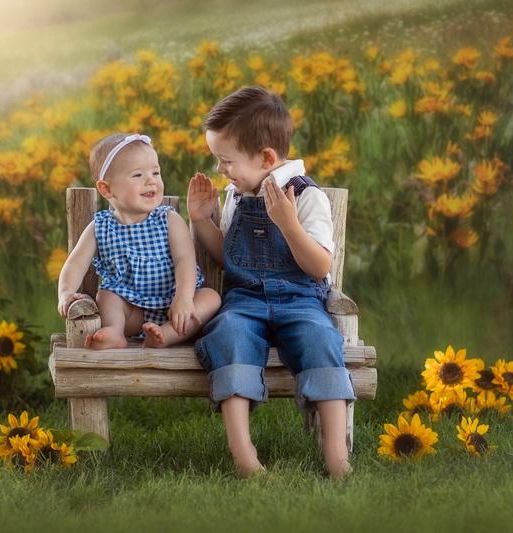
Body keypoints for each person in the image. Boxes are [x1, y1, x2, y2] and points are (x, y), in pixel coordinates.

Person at [188, 87, 356, 478]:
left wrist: (287, 223)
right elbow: (228, 256)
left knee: (321, 340)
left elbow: (319, 266)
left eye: (226, 160)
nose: (220, 170)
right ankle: (244, 454)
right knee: (228, 334)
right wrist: (201, 221)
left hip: (300, 301)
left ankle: (336, 455)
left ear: (266, 157)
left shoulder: (307, 197)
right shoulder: (236, 195)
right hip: (244, 301)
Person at [58, 133, 221, 349]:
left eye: (156, 172)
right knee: (106, 296)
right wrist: (66, 293)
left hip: (177, 305)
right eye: (137, 175)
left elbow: (185, 260)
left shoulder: (168, 219)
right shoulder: (100, 227)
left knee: (211, 298)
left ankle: (165, 335)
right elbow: (75, 263)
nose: (151, 180)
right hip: (132, 312)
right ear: (106, 189)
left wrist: (183, 297)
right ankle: (115, 331)